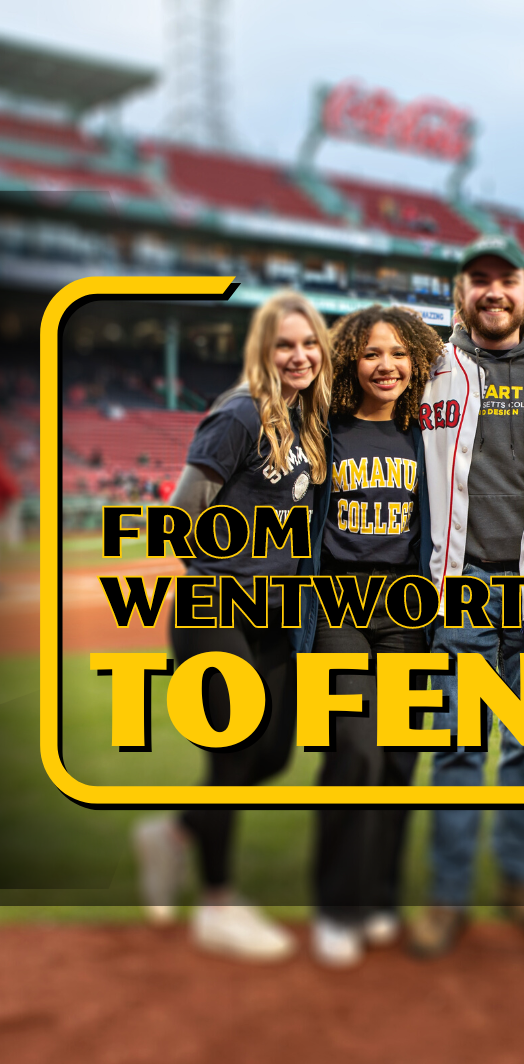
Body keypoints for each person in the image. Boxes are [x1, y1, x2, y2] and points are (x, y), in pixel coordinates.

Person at [133, 292, 333, 961]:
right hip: (219, 610)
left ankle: (174, 834)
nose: (299, 355)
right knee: (233, 752)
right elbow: (183, 515)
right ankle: (218, 903)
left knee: (273, 753)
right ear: (262, 351)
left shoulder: (309, 419)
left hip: (274, 617)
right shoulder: (241, 412)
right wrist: (230, 584)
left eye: (309, 343)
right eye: (285, 345)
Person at [409, 235, 524, 957]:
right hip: (462, 586)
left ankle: (518, 878)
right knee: (456, 747)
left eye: (507, 280)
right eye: (478, 281)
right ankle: (447, 896)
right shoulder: (426, 368)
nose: (493, 292)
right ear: (461, 293)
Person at [308, 305, 441, 968]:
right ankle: (337, 904)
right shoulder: (325, 431)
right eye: (370, 354)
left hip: (408, 609)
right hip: (340, 603)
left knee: (397, 759)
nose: (384, 365)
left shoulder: (428, 436)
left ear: (417, 360)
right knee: (353, 750)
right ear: (350, 363)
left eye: (397, 354)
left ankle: (382, 894)